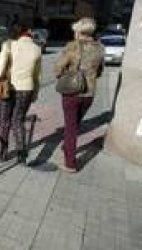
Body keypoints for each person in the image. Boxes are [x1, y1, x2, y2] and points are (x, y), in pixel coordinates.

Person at [54, 17, 104, 172]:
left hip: (72, 93)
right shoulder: (100, 48)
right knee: (74, 124)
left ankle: (70, 163)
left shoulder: (72, 47)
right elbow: (100, 71)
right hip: (89, 94)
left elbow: (58, 68)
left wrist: (63, 74)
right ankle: (67, 146)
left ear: (79, 31)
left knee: (70, 128)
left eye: (75, 30)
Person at [0, 23, 42, 164]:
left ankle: (2, 153)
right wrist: (35, 93)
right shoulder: (37, 49)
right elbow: (37, 76)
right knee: (18, 121)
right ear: (28, 31)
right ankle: (22, 154)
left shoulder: (8, 45)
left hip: (8, 88)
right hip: (26, 89)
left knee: (4, 121)